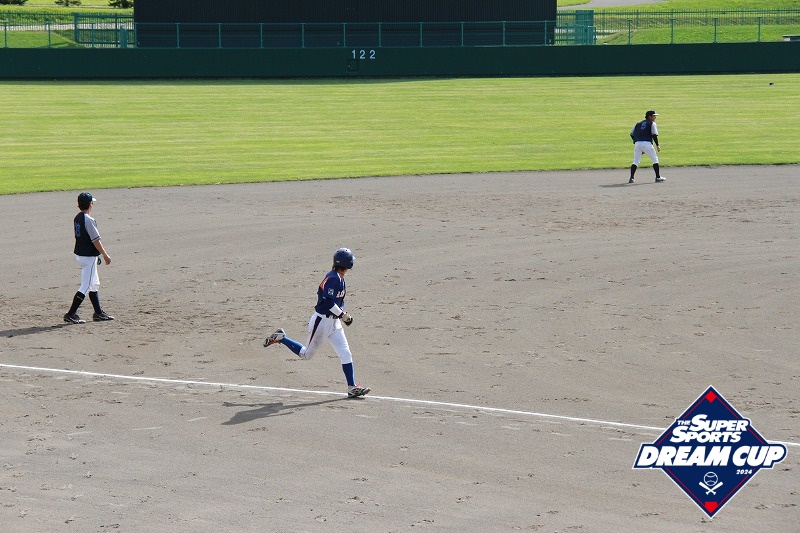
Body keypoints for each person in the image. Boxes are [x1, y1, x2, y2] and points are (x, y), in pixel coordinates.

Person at [264, 247, 370, 398]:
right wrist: (343, 315)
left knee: (345, 353)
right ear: (347, 264)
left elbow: (338, 301)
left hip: (334, 323)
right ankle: (281, 338)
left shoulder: (340, 278)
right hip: (321, 321)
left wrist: (342, 315)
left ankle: (352, 387)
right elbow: (328, 302)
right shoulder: (333, 278)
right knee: (306, 355)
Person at [63, 192, 115, 324]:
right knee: (85, 286)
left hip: (81, 254)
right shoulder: (89, 220)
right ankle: (70, 314)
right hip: (88, 257)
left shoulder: (77, 217)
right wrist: (105, 255)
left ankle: (98, 313)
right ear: (90, 204)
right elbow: (95, 240)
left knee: (94, 284)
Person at [629, 110, 665, 183]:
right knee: (655, 159)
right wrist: (657, 145)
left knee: (636, 161)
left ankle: (631, 178)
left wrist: (636, 141)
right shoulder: (652, 123)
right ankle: (658, 177)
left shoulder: (638, 124)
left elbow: (631, 134)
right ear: (649, 116)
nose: (655, 117)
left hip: (637, 144)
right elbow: (654, 135)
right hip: (647, 144)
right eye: (654, 116)